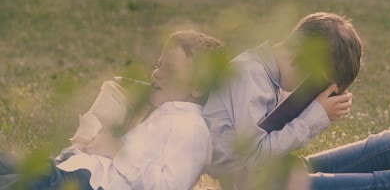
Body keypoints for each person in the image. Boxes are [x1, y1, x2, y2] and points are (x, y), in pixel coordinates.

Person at [0, 30, 228, 190]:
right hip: (66, 169)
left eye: (170, 69)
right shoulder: (165, 113)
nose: (157, 74)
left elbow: (167, 186)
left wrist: (118, 151)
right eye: (158, 65)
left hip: (83, 183)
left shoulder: (192, 128)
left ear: (197, 87)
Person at [203, 12, 360, 189]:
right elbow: (254, 157)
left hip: (275, 174)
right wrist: (315, 116)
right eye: (318, 83)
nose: (312, 90)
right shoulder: (250, 75)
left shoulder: (271, 76)